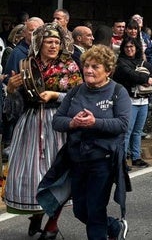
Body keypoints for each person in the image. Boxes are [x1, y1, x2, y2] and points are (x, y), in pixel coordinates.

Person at [4, 21, 83, 239]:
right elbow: (13, 110)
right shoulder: (27, 65)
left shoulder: (70, 66)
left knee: (58, 176)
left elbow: (79, 98)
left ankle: (52, 224)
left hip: (59, 125)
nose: (53, 46)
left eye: (57, 42)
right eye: (49, 41)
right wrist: (11, 90)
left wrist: (56, 95)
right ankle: (37, 215)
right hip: (30, 125)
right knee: (31, 175)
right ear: (39, 43)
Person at [49, 45, 131, 240]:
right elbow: (56, 121)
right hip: (77, 159)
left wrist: (95, 123)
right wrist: (72, 122)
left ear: (108, 70)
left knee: (94, 210)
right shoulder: (76, 91)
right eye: (86, 65)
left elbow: (123, 124)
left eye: (95, 66)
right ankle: (114, 227)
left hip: (103, 160)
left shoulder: (118, 92)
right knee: (80, 211)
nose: (88, 70)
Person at [113, 36, 152, 168]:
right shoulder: (121, 63)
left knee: (137, 131)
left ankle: (136, 157)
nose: (129, 49)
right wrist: (147, 79)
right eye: (126, 47)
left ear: (136, 48)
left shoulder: (142, 62)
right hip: (128, 101)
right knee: (126, 131)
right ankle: (121, 161)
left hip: (143, 101)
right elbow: (130, 75)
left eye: (131, 47)